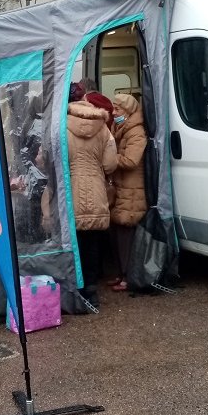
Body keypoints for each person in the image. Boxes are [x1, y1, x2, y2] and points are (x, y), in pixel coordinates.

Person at [66, 83, 117, 308]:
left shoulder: (61, 126)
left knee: (75, 243)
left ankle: (76, 291)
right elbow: (110, 164)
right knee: (93, 244)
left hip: (71, 192)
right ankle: (92, 291)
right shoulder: (103, 128)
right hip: (96, 190)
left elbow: (49, 160)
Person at [108, 94, 148, 291]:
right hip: (121, 187)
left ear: (128, 110)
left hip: (132, 188)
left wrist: (109, 158)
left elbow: (131, 160)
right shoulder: (121, 128)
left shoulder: (136, 132)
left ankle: (128, 276)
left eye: (118, 109)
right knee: (117, 232)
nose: (114, 113)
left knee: (126, 233)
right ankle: (120, 273)